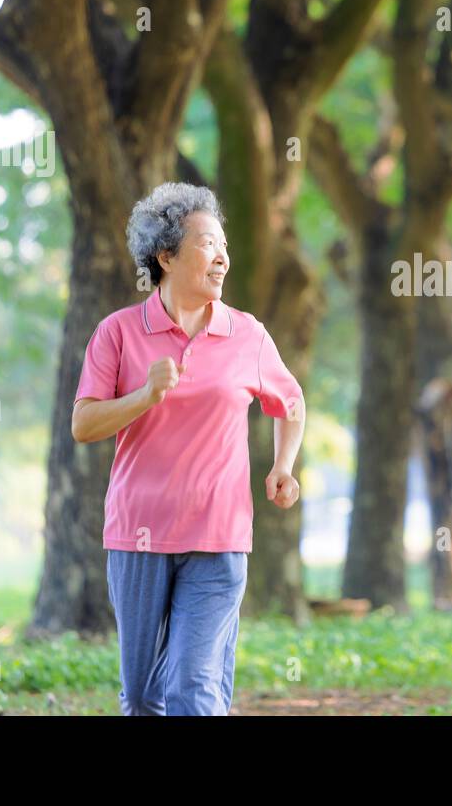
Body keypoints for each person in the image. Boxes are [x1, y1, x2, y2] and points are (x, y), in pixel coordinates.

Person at [71, 182, 305, 715]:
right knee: (145, 696)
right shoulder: (119, 333)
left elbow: (291, 403)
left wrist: (284, 466)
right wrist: (145, 394)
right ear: (167, 255)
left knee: (194, 690)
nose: (223, 257)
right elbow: (84, 424)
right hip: (138, 536)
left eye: (224, 244)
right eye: (207, 244)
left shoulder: (247, 334)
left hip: (218, 537)